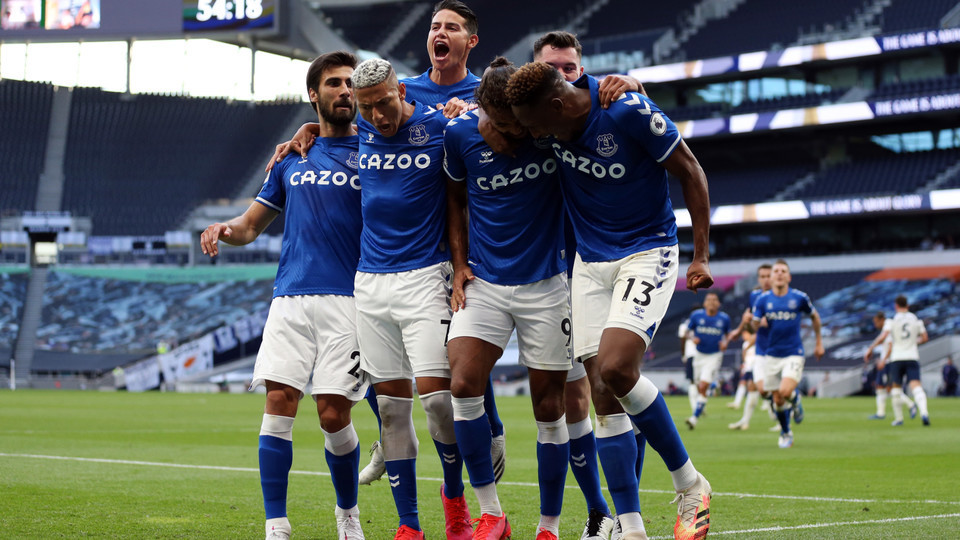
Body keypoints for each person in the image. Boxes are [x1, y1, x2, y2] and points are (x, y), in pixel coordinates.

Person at [506, 61, 714, 540]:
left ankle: (690, 484)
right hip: (589, 263)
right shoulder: (550, 120)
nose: (533, 136)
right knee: (602, 391)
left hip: (647, 251)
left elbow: (690, 169)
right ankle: (632, 528)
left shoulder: (625, 110)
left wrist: (701, 255)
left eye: (535, 125)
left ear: (557, 105)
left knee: (618, 369)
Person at [199, 51, 368, 540]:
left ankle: (347, 514)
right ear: (314, 94)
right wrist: (224, 229)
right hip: (289, 296)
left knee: (333, 412)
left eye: (350, 83)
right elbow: (250, 226)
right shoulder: (291, 158)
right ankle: (276, 524)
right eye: (334, 83)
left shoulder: (375, 150)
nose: (345, 90)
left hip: (349, 298)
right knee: (279, 401)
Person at [444, 57, 573, 540]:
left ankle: (549, 526)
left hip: (547, 282)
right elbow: (454, 199)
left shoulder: (547, 128)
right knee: (462, 386)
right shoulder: (460, 135)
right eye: (501, 123)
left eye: (517, 122)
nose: (513, 132)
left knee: (550, 408)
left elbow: (582, 98)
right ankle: (492, 514)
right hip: (486, 282)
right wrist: (460, 264)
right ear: (483, 110)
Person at [349, 58, 471, 540]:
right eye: (367, 108)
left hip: (425, 276)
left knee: (439, 401)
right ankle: (409, 526)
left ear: (401, 90)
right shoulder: (361, 127)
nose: (378, 116)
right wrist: (306, 129)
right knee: (392, 409)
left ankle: (455, 500)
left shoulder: (440, 126)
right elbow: (328, 126)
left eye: (384, 103)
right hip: (370, 281)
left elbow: (461, 194)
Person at [750, 260, 824, 448]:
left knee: (784, 391)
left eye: (783, 271)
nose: (779, 273)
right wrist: (754, 323)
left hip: (793, 353)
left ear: (789, 277)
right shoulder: (763, 300)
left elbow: (815, 317)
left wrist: (819, 342)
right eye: (776, 271)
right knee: (777, 399)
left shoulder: (799, 298)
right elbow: (754, 326)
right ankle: (786, 432)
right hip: (771, 354)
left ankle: (795, 399)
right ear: (772, 277)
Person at [864, 295, 930, 426]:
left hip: (897, 358)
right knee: (916, 386)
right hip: (912, 356)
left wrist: (871, 348)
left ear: (896, 306)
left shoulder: (892, 321)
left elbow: (884, 336)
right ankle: (924, 413)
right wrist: (913, 342)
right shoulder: (916, 320)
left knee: (895, 389)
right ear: (908, 305)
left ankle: (899, 419)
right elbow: (924, 338)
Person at [684, 293, 731, 430]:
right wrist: (692, 338)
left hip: (714, 356)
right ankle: (714, 384)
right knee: (698, 385)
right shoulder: (696, 316)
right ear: (704, 303)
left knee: (703, 386)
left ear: (719, 304)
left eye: (714, 300)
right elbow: (687, 332)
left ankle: (694, 418)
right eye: (709, 300)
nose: (711, 302)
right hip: (699, 355)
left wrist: (725, 343)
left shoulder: (724, 318)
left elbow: (728, 334)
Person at [863, 311, 916, 420]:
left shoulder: (889, 328)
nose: (875, 325)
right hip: (887, 362)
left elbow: (891, 346)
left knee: (891, 389)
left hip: (889, 363)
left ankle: (910, 404)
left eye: (876, 322)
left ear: (882, 320)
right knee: (880, 386)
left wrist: (883, 360)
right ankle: (880, 413)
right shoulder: (886, 329)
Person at [677, 308, 700, 414]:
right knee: (697, 381)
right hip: (699, 354)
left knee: (693, 381)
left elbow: (682, 341)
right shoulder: (700, 324)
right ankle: (697, 406)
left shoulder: (684, 326)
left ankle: (696, 406)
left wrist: (683, 355)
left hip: (691, 354)